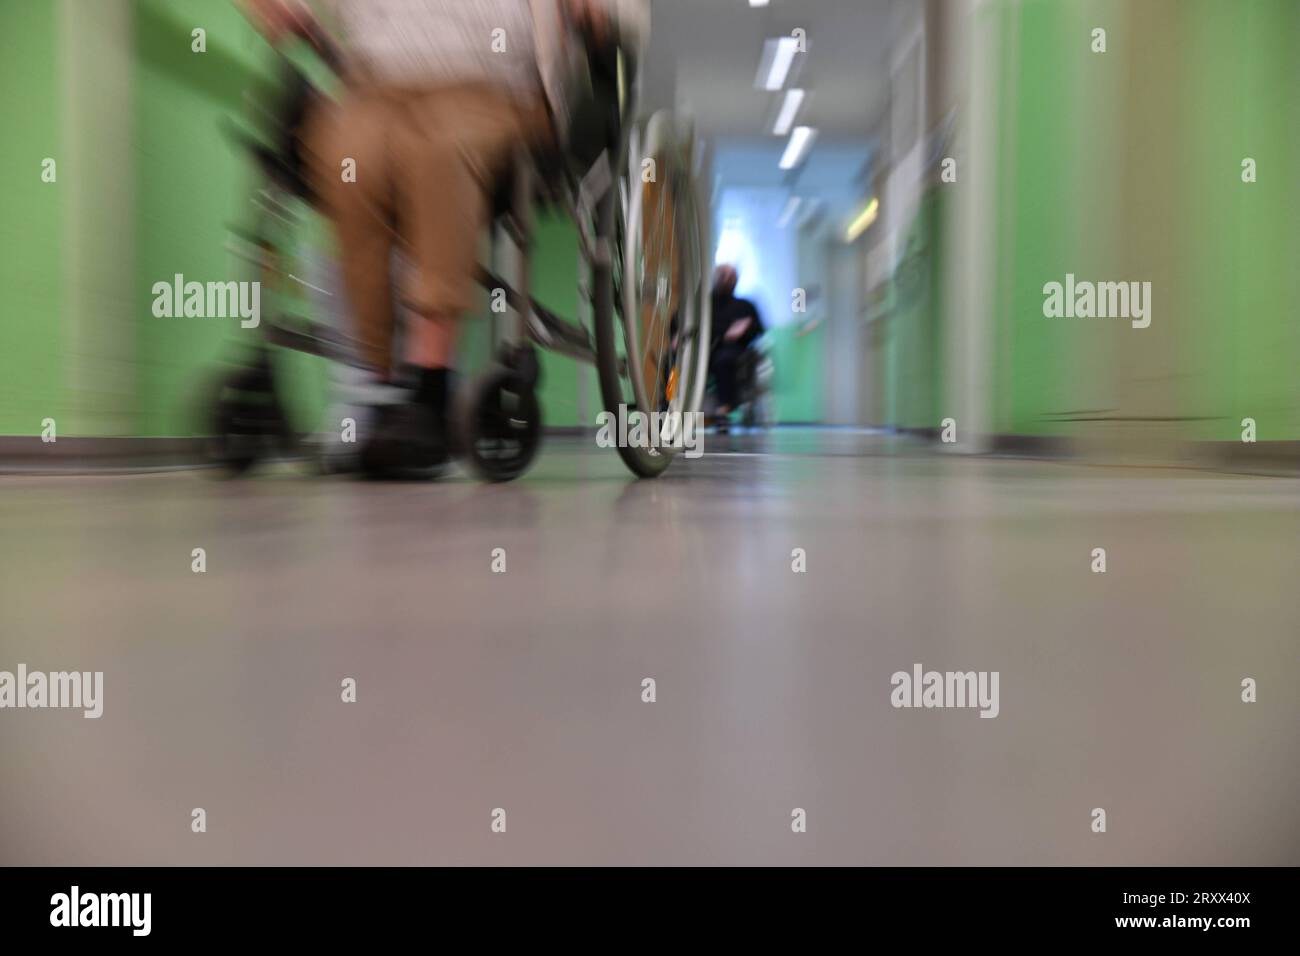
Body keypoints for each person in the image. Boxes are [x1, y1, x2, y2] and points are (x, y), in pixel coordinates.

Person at [238, 0, 649, 477]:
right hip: (376, 87)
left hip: (496, 90)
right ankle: (377, 385)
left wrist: (600, 11)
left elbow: (628, 16)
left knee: (437, 148)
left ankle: (431, 388)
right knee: (346, 155)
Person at [707, 264, 765, 429]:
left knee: (724, 360)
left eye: (731, 277)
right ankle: (668, 404)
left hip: (734, 352)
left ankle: (722, 411)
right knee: (672, 359)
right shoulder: (702, 306)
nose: (727, 280)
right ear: (716, 278)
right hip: (703, 350)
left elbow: (759, 330)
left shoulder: (745, 306)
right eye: (723, 276)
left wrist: (743, 329)